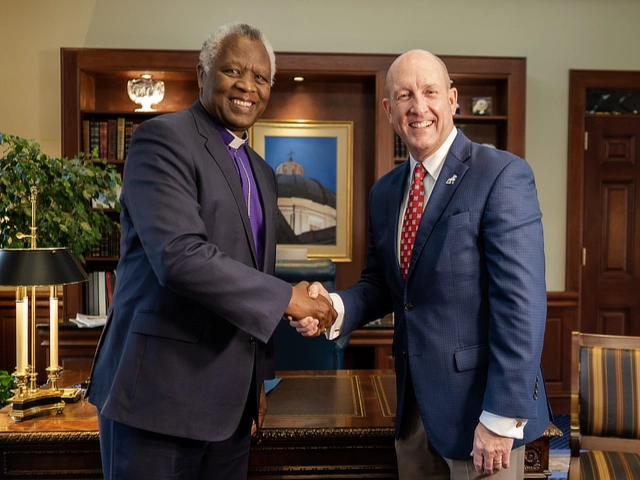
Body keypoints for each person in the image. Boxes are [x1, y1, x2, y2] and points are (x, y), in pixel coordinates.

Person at [88, 22, 336, 480]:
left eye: (261, 78)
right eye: (233, 71)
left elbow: (246, 273)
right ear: (202, 72)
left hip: (231, 411)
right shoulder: (161, 139)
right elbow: (180, 257)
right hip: (157, 401)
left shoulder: (262, 171)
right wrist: (288, 298)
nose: (248, 86)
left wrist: (256, 380)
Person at [295, 49, 551, 480]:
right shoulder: (385, 192)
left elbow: (521, 306)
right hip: (414, 415)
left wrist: (500, 419)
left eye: (430, 92)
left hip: (482, 420)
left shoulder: (501, 174)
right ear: (388, 110)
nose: (419, 107)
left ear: (452, 99)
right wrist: (333, 308)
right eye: (404, 95)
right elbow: (383, 284)